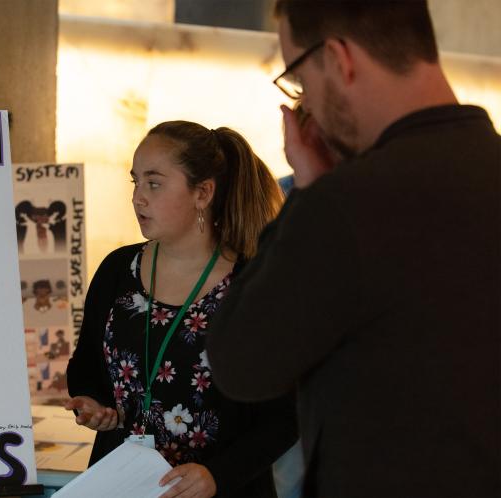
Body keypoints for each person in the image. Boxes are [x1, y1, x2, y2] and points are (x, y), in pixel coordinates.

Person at [206, 2, 500, 498]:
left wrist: (309, 189)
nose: (306, 104)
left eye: (299, 80)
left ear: (339, 59)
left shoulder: (346, 204)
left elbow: (239, 361)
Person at [66, 120, 297, 498]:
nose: (138, 197)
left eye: (154, 183)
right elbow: (86, 365)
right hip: (121, 484)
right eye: (135, 181)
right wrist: (93, 404)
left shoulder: (252, 287)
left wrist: (217, 475)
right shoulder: (116, 270)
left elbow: (285, 417)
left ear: (202, 192)